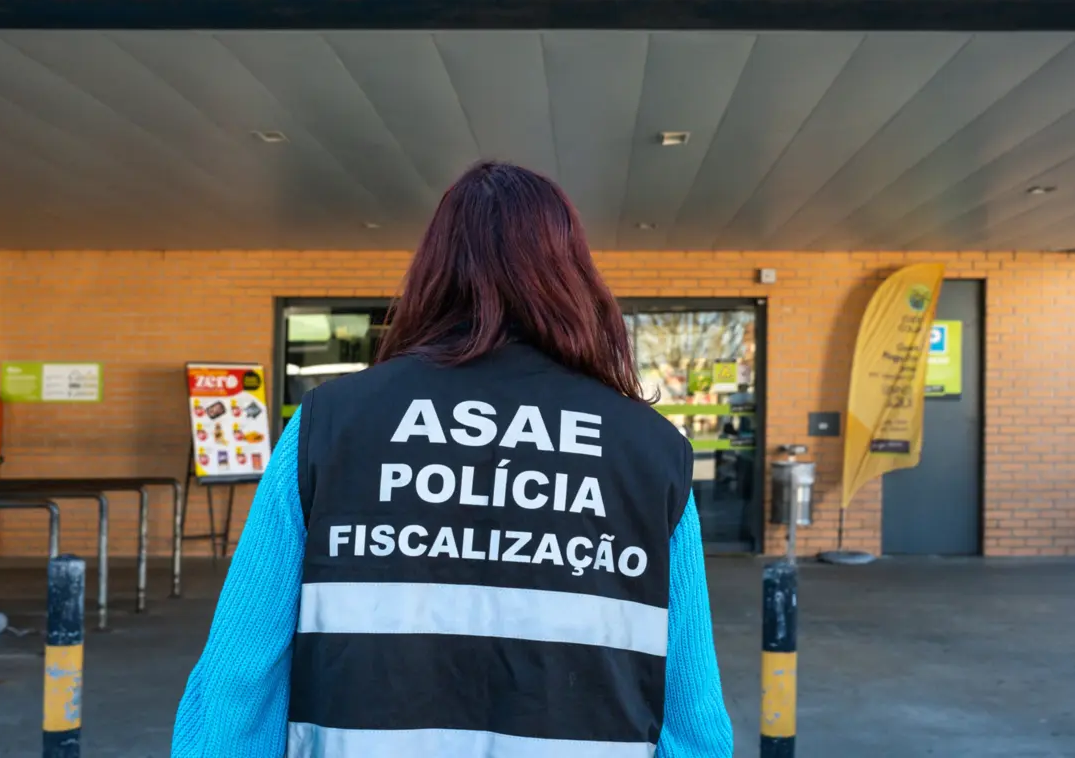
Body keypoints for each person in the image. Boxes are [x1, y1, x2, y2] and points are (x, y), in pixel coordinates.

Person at [172, 162, 733, 758]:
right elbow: (690, 717)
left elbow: (238, 685)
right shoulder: (649, 451)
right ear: (573, 274)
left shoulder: (329, 427)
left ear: (433, 269)